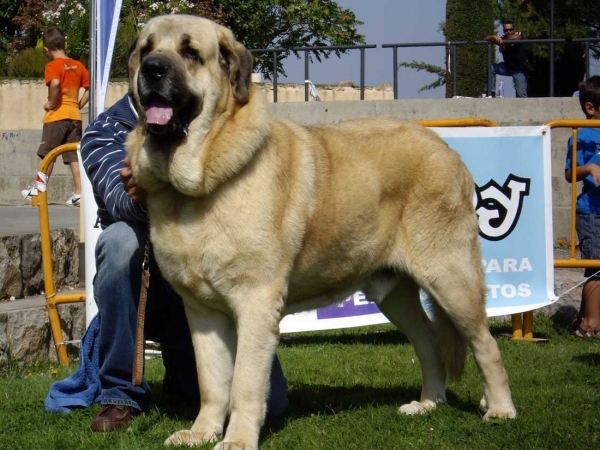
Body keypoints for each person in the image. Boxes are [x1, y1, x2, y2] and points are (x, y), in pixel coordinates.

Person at [79, 93, 289, 432]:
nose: (161, 78)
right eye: (151, 65)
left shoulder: (204, 118)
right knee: (119, 241)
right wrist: (167, 187)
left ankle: (185, 376)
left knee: (274, 402)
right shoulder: (105, 131)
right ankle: (119, 394)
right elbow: (119, 201)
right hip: (145, 287)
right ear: (136, 73)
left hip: (205, 280)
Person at [21, 27, 89, 206]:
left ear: (46, 49)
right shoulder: (78, 65)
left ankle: (39, 189)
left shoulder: (52, 66)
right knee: (73, 157)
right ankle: (79, 192)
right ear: (65, 44)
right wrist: (78, 105)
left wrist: (51, 103)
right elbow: (91, 87)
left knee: (48, 155)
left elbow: (56, 83)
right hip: (74, 117)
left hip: (56, 117)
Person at [564, 75, 600, 339]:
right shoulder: (582, 133)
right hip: (591, 212)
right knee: (596, 266)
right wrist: (588, 167)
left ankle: (585, 319)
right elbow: (569, 173)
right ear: (590, 108)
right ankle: (590, 323)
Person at [484, 21, 531, 98]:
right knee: (490, 67)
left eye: (510, 29)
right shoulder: (502, 38)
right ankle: (490, 93)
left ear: (514, 29)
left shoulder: (518, 34)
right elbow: (485, 38)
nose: (508, 32)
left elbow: (516, 38)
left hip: (519, 70)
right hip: (507, 67)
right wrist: (494, 37)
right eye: (506, 30)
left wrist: (503, 42)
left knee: (522, 97)